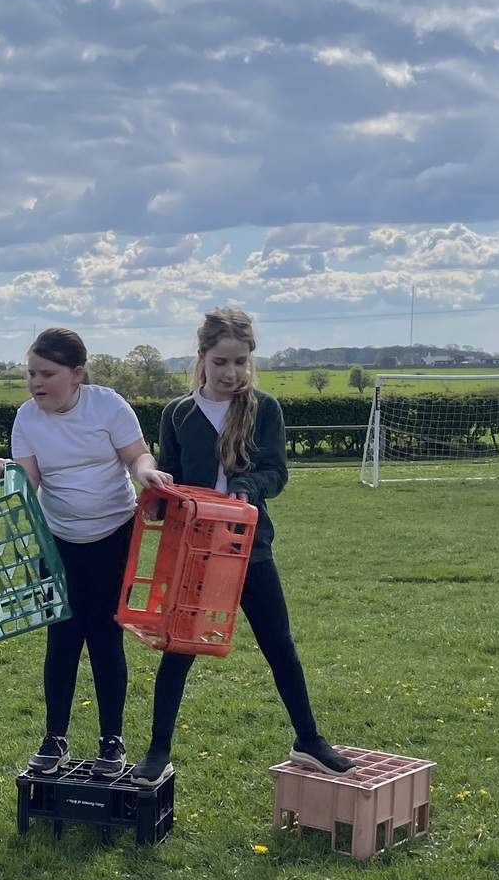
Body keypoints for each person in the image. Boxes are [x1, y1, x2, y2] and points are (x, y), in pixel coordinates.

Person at [132, 307, 351, 782]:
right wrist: (157, 499)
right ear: (201, 357)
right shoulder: (177, 413)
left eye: (240, 361)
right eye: (220, 362)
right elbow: (173, 476)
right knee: (179, 649)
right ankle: (158, 750)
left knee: (279, 644)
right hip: (195, 551)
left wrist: (247, 487)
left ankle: (309, 740)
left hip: (250, 547)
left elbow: (276, 473)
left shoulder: (264, 409)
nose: (231, 373)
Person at [10, 327, 172, 774]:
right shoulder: (26, 417)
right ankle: (54, 738)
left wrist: (146, 473)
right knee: (61, 638)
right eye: (31, 373)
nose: (36, 382)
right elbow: (28, 481)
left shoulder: (108, 405)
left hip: (113, 536)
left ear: (77, 373)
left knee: (104, 637)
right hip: (57, 541)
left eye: (46, 373)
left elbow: (137, 455)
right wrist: (3, 476)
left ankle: (111, 742)